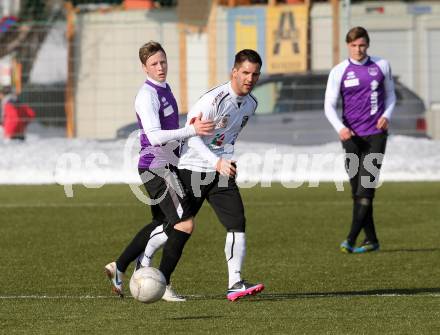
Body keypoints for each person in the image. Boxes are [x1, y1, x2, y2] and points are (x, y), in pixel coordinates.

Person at [139, 49, 265, 301]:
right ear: (234, 72)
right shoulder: (213, 101)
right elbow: (191, 136)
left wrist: (226, 159)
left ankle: (235, 282)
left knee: (237, 222)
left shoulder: (251, 104)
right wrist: (215, 160)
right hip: (193, 168)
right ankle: (150, 268)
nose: (250, 79)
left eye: (255, 74)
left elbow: (227, 136)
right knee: (176, 227)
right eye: (245, 73)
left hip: (220, 171)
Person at [104, 41, 214, 301]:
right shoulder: (147, 95)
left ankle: (119, 267)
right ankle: (160, 283)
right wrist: (191, 131)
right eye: (154, 63)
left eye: (163, 61)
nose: (160, 67)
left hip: (166, 165)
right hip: (157, 167)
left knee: (162, 224)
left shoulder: (165, 89)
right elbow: (154, 137)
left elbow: (168, 131)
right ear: (144, 67)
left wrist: (189, 131)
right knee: (183, 224)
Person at [324, 26, 396, 254]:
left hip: (376, 134)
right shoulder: (339, 71)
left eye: (362, 45)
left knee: (366, 188)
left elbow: (391, 94)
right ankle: (372, 239)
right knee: (357, 190)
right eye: (354, 45)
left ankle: (351, 238)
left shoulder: (381, 65)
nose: (358, 49)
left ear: (368, 45)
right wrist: (340, 128)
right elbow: (329, 105)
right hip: (351, 137)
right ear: (348, 46)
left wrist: (386, 115)